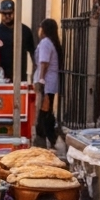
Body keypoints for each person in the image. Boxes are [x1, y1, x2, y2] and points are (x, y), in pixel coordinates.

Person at [0, 0, 35, 83]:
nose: (7, 16)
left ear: (14, 12)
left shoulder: (25, 31)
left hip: (19, 77)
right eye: (4, 14)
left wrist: (35, 74)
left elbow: (32, 53)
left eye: (10, 13)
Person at [34, 18, 63, 148]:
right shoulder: (52, 42)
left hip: (46, 83)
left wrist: (41, 79)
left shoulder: (45, 42)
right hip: (50, 82)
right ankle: (51, 137)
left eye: (40, 27)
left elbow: (44, 62)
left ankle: (43, 137)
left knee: (43, 111)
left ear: (44, 29)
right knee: (47, 111)